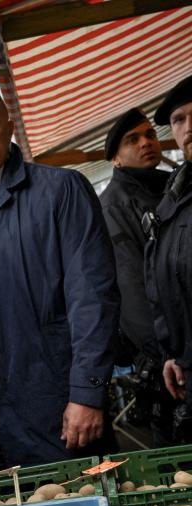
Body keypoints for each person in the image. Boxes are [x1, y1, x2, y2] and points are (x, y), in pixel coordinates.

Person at [0, 82, 119, 477]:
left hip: (46, 392)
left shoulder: (61, 191)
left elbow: (93, 299)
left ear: (9, 129)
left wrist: (87, 392)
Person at [98, 108, 173, 444]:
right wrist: (166, 355)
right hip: (168, 363)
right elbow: (131, 291)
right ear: (115, 158)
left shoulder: (169, 187)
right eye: (133, 139)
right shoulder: (114, 205)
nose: (146, 143)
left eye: (150, 135)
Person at [148, 75, 192, 442]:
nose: (188, 128)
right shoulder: (174, 194)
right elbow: (164, 282)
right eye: (179, 120)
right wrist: (171, 353)